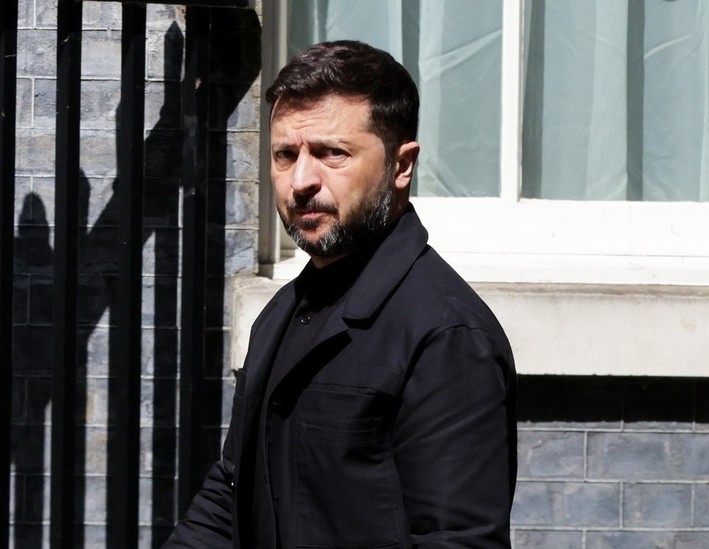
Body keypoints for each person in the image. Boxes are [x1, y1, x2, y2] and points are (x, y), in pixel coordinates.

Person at [164, 40, 517, 549]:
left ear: (402, 165)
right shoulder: (281, 314)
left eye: (333, 154)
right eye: (286, 155)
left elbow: (456, 540)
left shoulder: (446, 335)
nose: (301, 181)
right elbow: (232, 494)